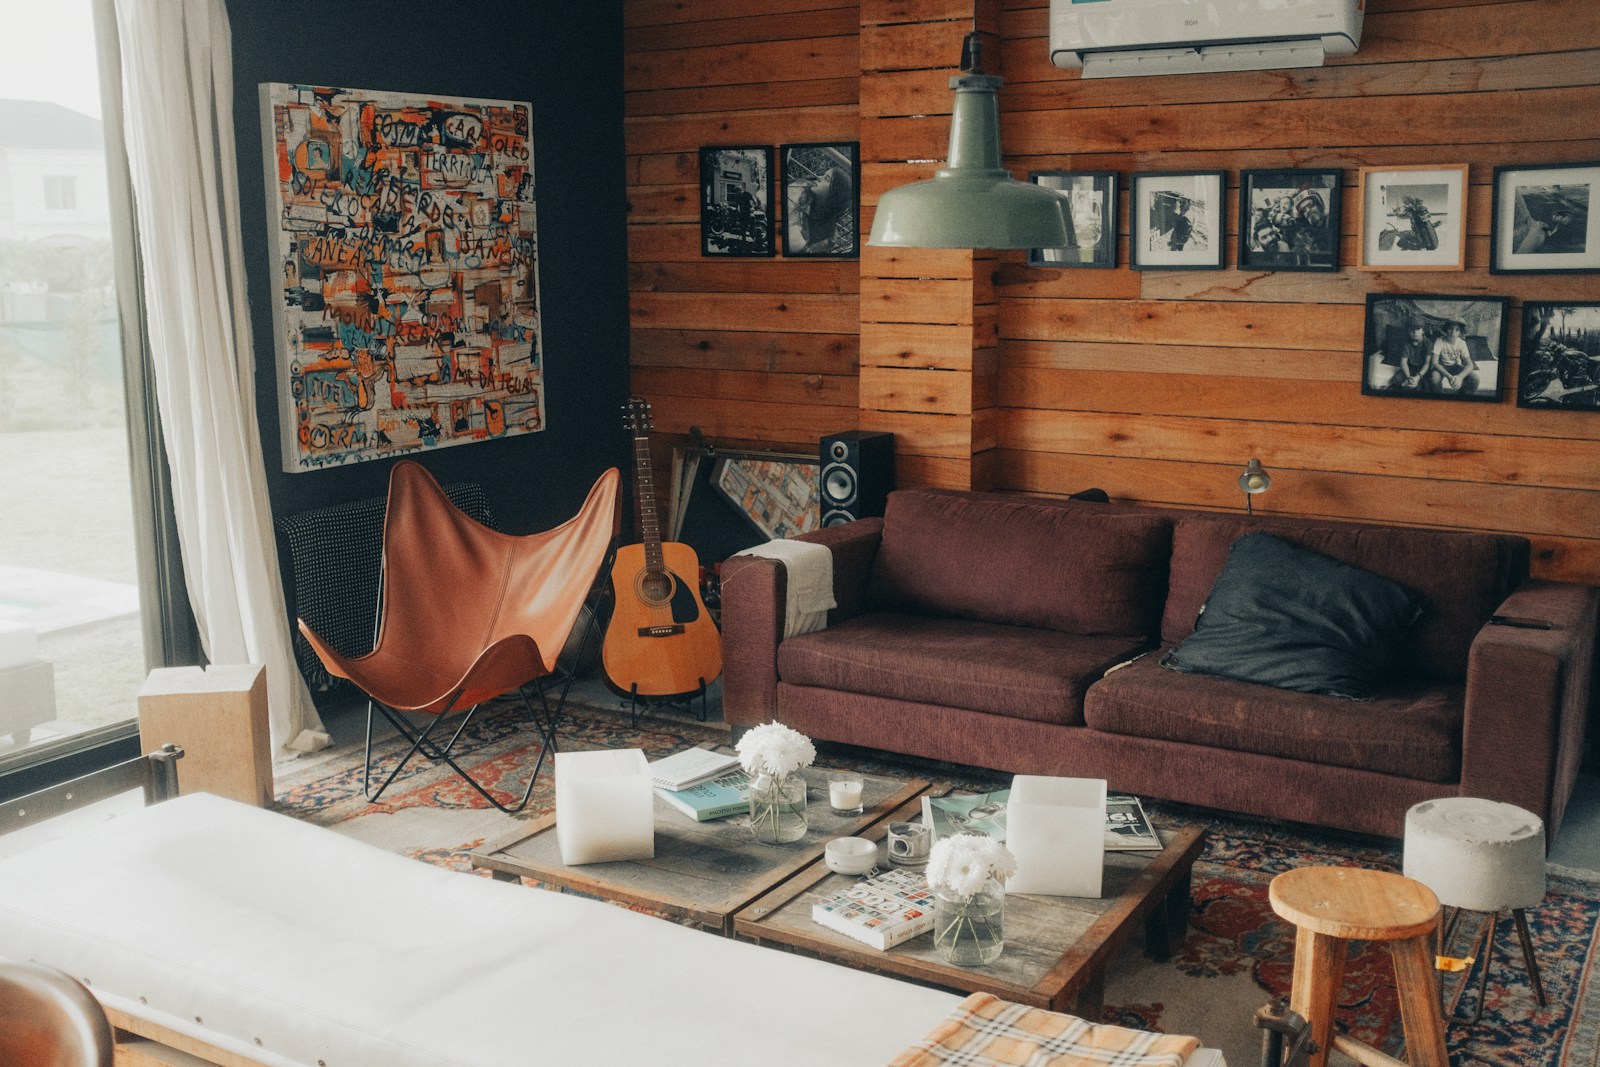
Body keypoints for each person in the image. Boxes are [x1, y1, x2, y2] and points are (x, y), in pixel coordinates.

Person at [1425, 320, 1479, 393]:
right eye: (1450, 328)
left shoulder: (1462, 343)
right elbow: (1434, 362)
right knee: (1434, 378)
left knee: (1475, 378)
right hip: (1442, 367)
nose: (1453, 332)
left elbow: (1470, 365)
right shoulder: (1439, 341)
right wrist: (1449, 376)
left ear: (1460, 332)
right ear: (1446, 329)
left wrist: (1460, 377)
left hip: (1456, 366)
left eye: (1457, 330)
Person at [1390, 320, 1432, 391]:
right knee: (1397, 378)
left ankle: (1412, 384)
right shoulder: (1406, 343)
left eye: (1418, 329)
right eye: (1412, 330)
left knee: (1425, 385)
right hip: (1410, 368)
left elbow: (1427, 363)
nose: (1415, 332)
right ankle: (1406, 383)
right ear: (1408, 332)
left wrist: (1418, 377)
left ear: (1423, 331)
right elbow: (1403, 362)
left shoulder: (1428, 343)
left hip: (1423, 369)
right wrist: (1408, 377)